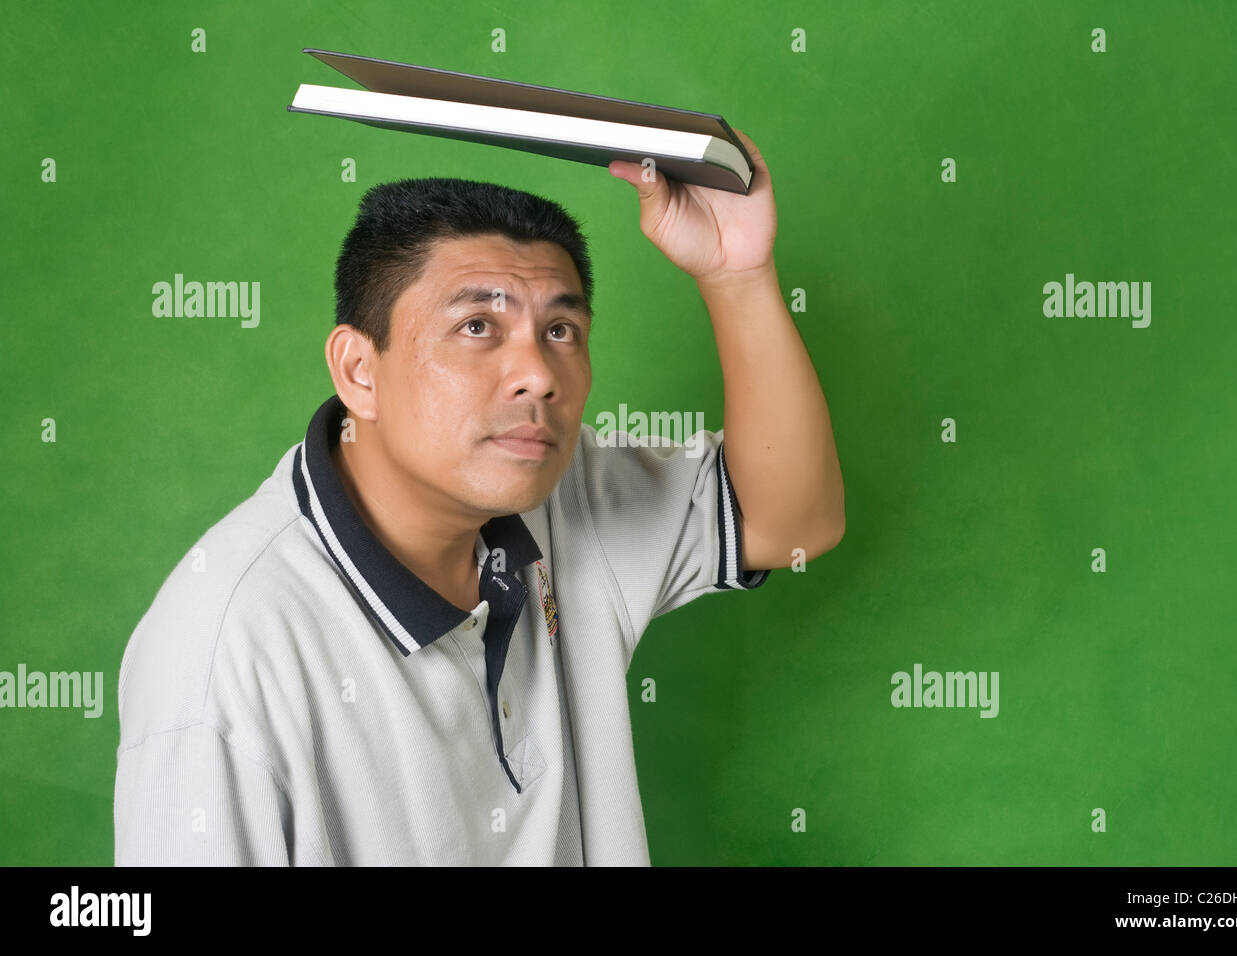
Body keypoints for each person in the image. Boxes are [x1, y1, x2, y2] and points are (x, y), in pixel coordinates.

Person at [113, 129, 845, 865]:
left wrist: (736, 276)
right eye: (476, 326)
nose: (538, 373)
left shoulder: (559, 494)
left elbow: (791, 523)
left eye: (560, 329)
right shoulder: (222, 657)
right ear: (359, 371)